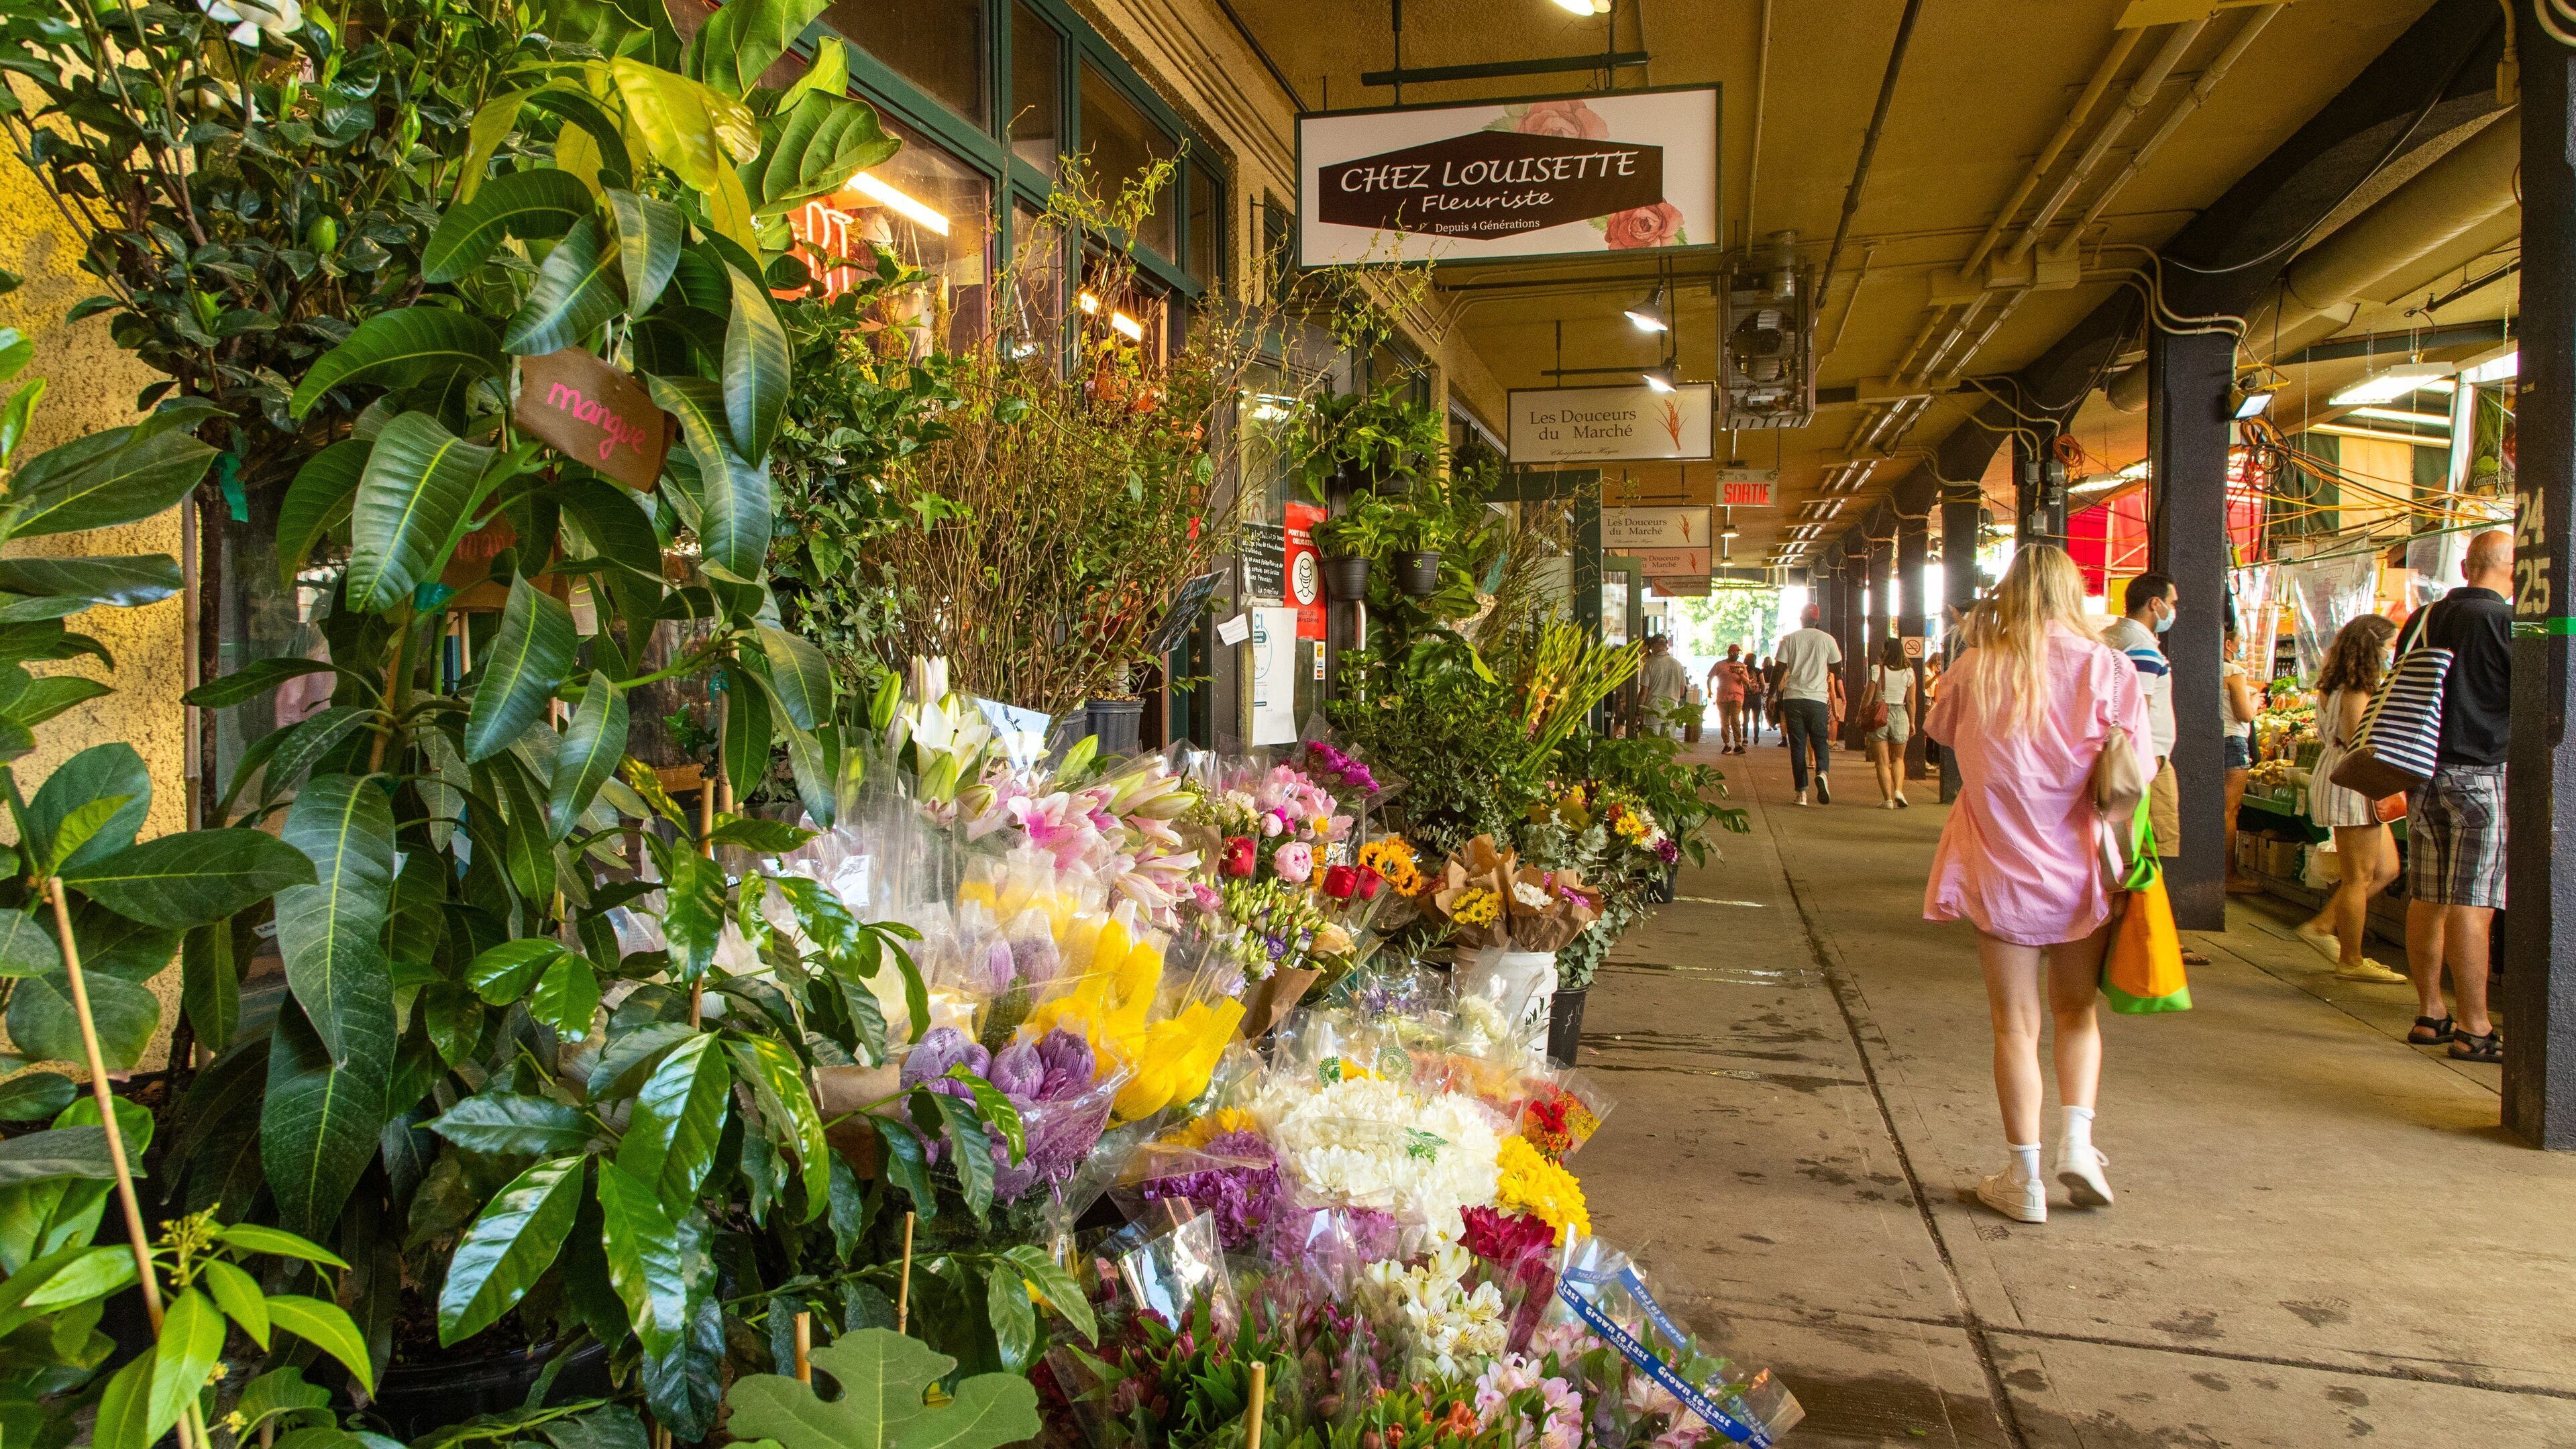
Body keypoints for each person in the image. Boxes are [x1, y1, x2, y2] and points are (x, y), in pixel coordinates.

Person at [1923, 545, 2151, 1224]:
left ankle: (2022, 1178)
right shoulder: (2110, 668)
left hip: (2000, 868)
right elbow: (2136, 768)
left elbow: (1940, 733)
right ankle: (2078, 1143)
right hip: (2084, 868)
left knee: (2014, 1026)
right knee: (2077, 1011)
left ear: (2011, 594)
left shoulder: (1975, 669)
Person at [2400, 530, 2514, 1063]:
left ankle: (2431, 1014)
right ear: (2510, 568)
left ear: (2466, 565)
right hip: (2481, 776)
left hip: (2421, 774)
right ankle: (2475, 1027)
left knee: (2427, 896)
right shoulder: (2505, 622)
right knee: (2474, 904)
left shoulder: (2423, 618)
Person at [2297, 614, 2407, 983]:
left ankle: (2323, 926)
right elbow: (2358, 740)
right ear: (2373, 648)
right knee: (2358, 877)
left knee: (2387, 869)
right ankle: (2352, 959)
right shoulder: (2357, 689)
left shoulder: (2334, 686)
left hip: (2345, 778)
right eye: (2390, 646)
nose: (2393, 654)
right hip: (2354, 782)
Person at [1774, 605, 1843, 805]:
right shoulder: (1828, 640)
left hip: (1793, 699)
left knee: (1797, 746)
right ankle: (1822, 773)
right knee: (1820, 741)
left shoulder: (1789, 639)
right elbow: (1837, 667)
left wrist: (1772, 694)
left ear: (1801, 619)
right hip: (1818, 699)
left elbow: (1779, 669)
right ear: (1817, 619)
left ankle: (1801, 794)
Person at [2220, 621, 2263, 894]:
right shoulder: (2235, 672)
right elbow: (2245, 714)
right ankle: (2229, 874)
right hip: (2232, 742)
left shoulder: (2202, 668)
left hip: (2210, 739)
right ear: (2228, 645)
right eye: (2240, 640)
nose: (2242, 645)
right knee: (2229, 811)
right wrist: (2256, 702)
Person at [1864, 638, 1915, 808]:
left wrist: (1861, 713)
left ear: (1887, 651)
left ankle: (1888, 800)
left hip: (1880, 714)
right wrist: (1913, 722)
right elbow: (1911, 702)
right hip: (1901, 714)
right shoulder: (1909, 672)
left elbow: (1869, 696)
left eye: (1883, 649)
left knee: (1882, 762)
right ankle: (1899, 791)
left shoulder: (1876, 670)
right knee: (1899, 758)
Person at [1638, 633, 1692, 740]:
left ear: (1652, 647)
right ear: (1666, 647)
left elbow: (1644, 692)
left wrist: (1638, 713)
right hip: (1671, 711)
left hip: (1653, 711)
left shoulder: (1650, 665)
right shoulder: (1678, 665)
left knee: (1651, 747)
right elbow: (1681, 692)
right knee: (1668, 747)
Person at [1741, 651, 1768, 748]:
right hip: (1756, 697)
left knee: (1746, 718)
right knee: (1756, 719)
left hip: (1746, 697)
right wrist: (1761, 692)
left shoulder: (1743, 670)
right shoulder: (1758, 671)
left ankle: (1745, 739)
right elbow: (1763, 683)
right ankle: (1756, 738)